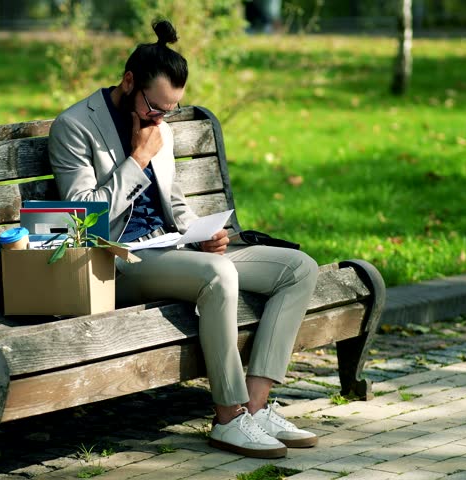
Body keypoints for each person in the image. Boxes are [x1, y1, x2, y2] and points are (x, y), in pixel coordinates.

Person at [48, 20, 319, 459]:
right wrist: (137, 158)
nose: (162, 118)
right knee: (218, 276)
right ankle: (229, 419)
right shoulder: (75, 126)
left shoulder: (162, 126)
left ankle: (255, 407)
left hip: (172, 248)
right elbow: (83, 217)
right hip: (117, 261)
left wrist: (203, 233)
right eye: (155, 107)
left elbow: (175, 205)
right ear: (129, 81)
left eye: (170, 110)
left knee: (298, 269)